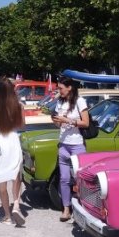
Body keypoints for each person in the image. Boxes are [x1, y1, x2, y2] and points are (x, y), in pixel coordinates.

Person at [0, 77, 26, 226]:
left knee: (1, 179)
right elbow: (22, 126)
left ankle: (8, 216)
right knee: (16, 175)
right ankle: (16, 205)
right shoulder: (18, 105)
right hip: (12, 141)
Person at [52, 76, 90, 222]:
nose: (59, 91)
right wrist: (57, 121)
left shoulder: (80, 101)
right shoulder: (60, 102)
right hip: (63, 144)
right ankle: (66, 209)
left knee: (80, 179)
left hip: (77, 145)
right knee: (64, 179)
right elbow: (58, 124)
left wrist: (67, 120)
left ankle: (83, 209)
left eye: (61, 88)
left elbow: (86, 123)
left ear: (69, 88)